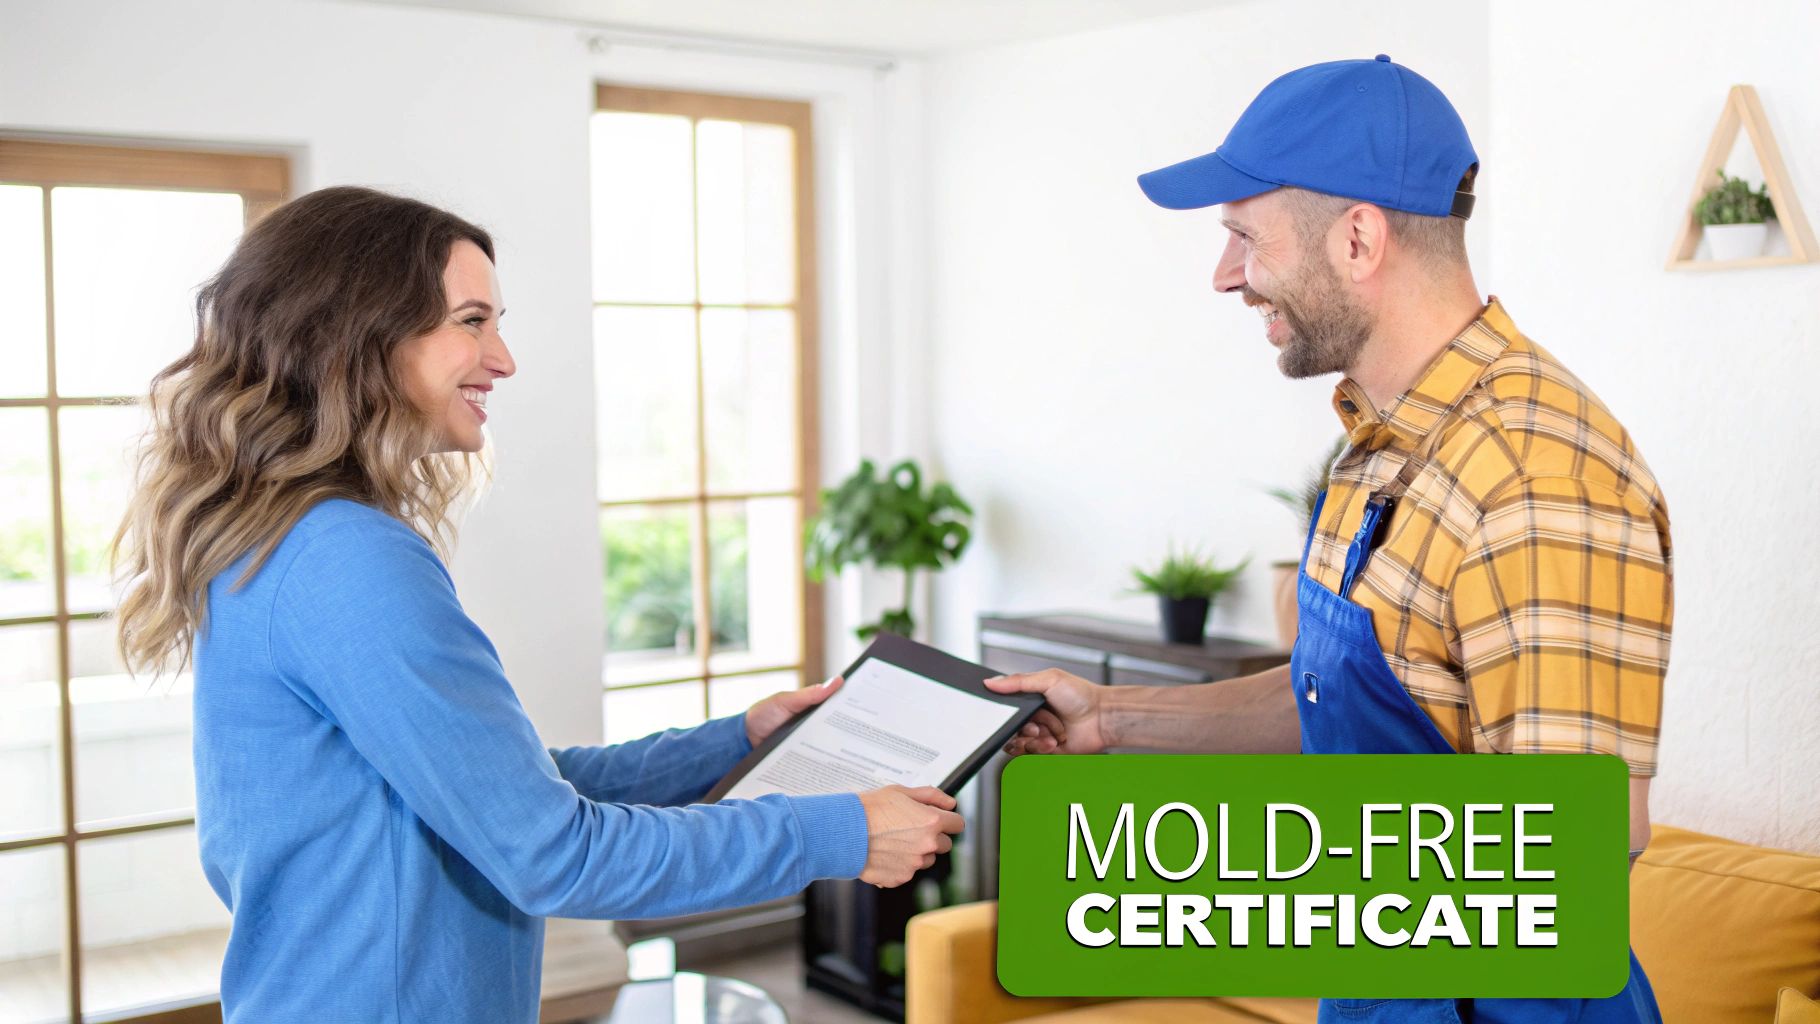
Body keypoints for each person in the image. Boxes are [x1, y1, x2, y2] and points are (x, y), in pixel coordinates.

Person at [112, 186, 963, 1024]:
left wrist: (733, 743)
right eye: (472, 321)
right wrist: (838, 833)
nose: (503, 359)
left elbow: (498, 790)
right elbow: (554, 854)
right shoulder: (347, 559)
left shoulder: (284, 538)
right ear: (356, 335)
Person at [988, 56, 1669, 1023]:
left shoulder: (1534, 478)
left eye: (1243, 237)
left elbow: (1581, 848)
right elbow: (1342, 693)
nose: (1224, 276)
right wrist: (1112, 721)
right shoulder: (1376, 445)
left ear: (1357, 239)